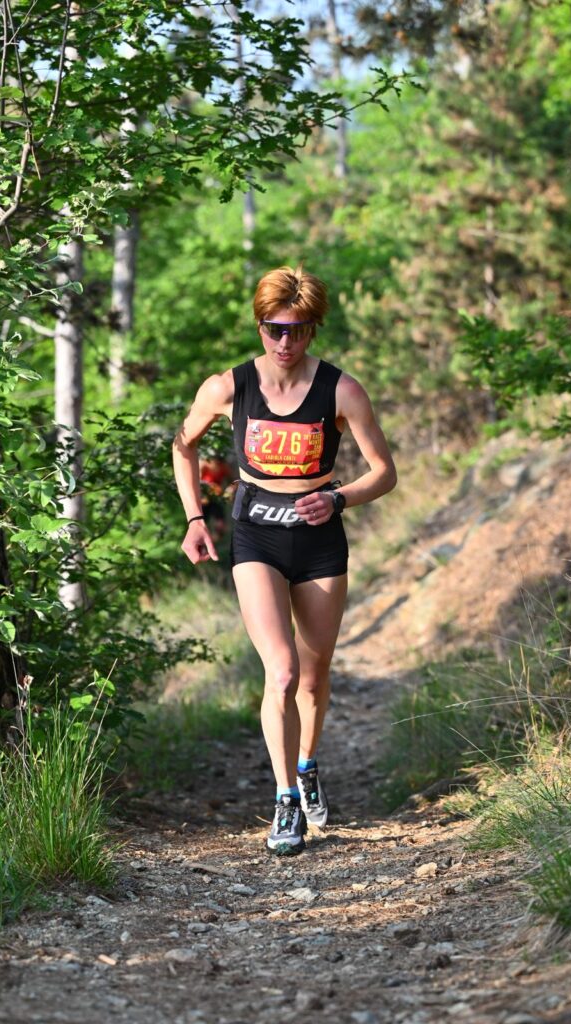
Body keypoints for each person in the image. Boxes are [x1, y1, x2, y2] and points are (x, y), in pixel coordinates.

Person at [172, 265, 397, 855]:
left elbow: (384, 472)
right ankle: (286, 800)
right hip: (256, 538)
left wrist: (339, 497)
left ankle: (308, 763)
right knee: (283, 672)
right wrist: (195, 518)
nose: (285, 342)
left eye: (297, 330)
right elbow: (183, 444)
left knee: (314, 680)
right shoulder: (228, 387)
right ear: (259, 326)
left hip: (320, 542)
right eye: (274, 329)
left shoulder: (341, 391)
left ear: (312, 329)